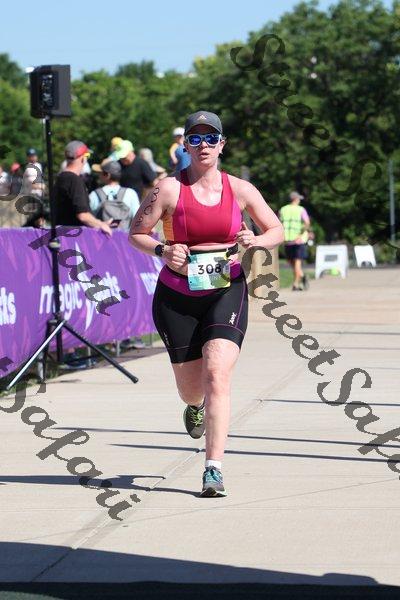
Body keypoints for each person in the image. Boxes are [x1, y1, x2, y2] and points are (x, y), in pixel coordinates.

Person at [129, 110, 283, 497]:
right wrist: (162, 250)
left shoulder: (240, 189)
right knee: (191, 389)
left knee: (217, 374)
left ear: (222, 144)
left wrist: (256, 241)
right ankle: (194, 407)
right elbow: (136, 233)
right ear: (185, 145)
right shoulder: (167, 189)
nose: (203, 146)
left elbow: (276, 229)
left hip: (225, 288)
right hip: (177, 295)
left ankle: (213, 468)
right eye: (195, 139)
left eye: (211, 138)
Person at [89, 161, 140, 231]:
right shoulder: (131, 193)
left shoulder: (94, 194)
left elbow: (89, 218)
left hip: (101, 236)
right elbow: (138, 218)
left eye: (101, 173)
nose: (99, 175)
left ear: (107, 175)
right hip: (124, 236)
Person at [279, 191, 311, 291]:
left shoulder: (283, 209)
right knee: (295, 263)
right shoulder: (301, 209)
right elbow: (307, 223)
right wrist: (301, 234)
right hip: (298, 240)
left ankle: (296, 283)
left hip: (287, 240)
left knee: (294, 262)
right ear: (296, 199)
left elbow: (279, 223)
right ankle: (302, 276)